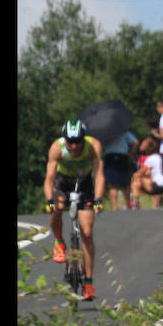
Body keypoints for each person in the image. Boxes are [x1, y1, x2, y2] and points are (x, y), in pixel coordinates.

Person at [43, 120, 105, 301]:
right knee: (56, 208)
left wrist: (99, 199)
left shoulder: (94, 146)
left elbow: (99, 174)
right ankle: (60, 242)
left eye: (78, 140)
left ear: (83, 138)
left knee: (86, 232)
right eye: (70, 141)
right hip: (62, 182)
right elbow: (49, 178)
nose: (74, 145)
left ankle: (88, 282)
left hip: (83, 183)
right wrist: (49, 200)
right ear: (65, 140)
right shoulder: (57, 148)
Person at [102, 129, 138, 210]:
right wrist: (131, 154)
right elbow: (135, 142)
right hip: (122, 157)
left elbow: (101, 146)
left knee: (113, 184)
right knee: (126, 184)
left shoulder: (105, 133)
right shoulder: (123, 132)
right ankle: (128, 205)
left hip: (109, 157)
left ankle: (115, 206)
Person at [130, 137, 163, 208]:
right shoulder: (160, 156)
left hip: (158, 185)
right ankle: (160, 203)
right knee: (144, 180)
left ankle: (135, 203)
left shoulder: (150, 159)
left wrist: (134, 175)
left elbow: (140, 173)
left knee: (136, 181)